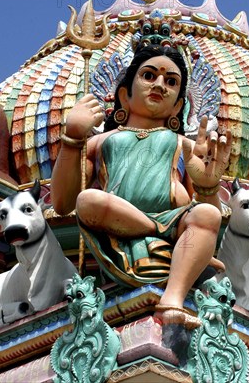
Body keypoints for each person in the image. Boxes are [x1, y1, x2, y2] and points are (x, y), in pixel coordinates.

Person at [51, 43, 232, 329]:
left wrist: (208, 187)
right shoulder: (102, 141)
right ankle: (154, 229)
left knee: (207, 215)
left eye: (171, 82)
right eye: (149, 76)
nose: (160, 84)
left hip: (174, 222)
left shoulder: (185, 146)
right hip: (114, 224)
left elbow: (209, 221)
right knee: (87, 200)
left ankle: (173, 297)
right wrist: (73, 136)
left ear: (178, 105)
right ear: (125, 94)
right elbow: (62, 203)